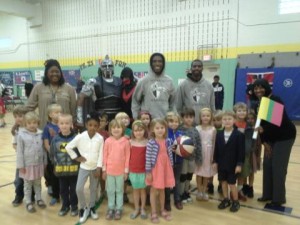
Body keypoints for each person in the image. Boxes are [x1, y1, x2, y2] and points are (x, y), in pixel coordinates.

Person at [253, 79, 296, 207]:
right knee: (267, 164)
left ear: (266, 87)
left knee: (278, 167)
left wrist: (263, 130)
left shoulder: (274, 100)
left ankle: (278, 198)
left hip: (284, 137)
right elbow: (261, 123)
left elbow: (277, 123)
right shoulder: (259, 102)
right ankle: (267, 194)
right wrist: (265, 142)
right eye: (256, 88)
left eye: (261, 87)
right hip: (271, 138)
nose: (258, 90)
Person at [66, 112, 104, 223]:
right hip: (84, 167)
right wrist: (76, 158)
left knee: (93, 189)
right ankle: (82, 207)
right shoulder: (80, 137)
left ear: (98, 127)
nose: (93, 128)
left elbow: (101, 154)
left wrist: (99, 168)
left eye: (95, 126)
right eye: (90, 125)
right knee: (78, 188)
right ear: (86, 125)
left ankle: (92, 207)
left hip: (95, 169)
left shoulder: (100, 138)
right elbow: (69, 147)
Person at [26, 59, 76, 129]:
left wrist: (74, 126)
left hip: (64, 131)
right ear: (46, 73)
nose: (55, 74)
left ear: (60, 73)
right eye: (52, 72)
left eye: (57, 72)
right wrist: (34, 121)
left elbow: (74, 111)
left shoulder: (69, 89)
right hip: (44, 130)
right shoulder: (38, 87)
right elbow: (28, 108)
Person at [76, 55, 122, 126]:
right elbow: (80, 98)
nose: (107, 68)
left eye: (109, 66)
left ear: (113, 67)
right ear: (101, 68)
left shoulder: (120, 81)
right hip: (100, 120)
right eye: (104, 66)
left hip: (118, 119)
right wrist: (79, 120)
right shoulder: (93, 81)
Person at [213, 110, 245, 213]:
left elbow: (241, 152)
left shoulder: (239, 135)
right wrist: (215, 162)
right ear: (222, 121)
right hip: (222, 164)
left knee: (232, 183)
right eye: (225, 119)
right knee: (223, 182)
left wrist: (239, 164)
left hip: (232, 165)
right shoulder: (219, 134)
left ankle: (235, 201)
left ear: (234, 120)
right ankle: (226, 199)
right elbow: (216, 149)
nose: (227, 121)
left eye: (229, 119)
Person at [16, 112, 47, 213]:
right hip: (27, 165)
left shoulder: (40, 133)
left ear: (37, 123)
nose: (32, 125)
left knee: (38, 183)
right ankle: (28, 201)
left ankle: (39, 199)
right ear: (25, 123)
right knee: (28, 185)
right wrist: (21, 165)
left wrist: (45, 162)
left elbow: (43, 149)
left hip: (38, 164)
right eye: (29, 123)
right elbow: (19, 151)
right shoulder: (21, 135)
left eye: (34, 122)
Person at [146, 118, 175, 223]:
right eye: (157, 128)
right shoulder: (151, 143)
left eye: (162, 127)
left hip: (165, 168)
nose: (160, 130)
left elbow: (169, 154)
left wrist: (171, 166)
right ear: (153, 130)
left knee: (163, 190)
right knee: (154, 190)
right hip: (155, 169)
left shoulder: (168, 141)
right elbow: (148, 158)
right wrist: (148, 172)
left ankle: (162, 210)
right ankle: (153, 211)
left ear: (165, 129)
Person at [50, 114, 79, 216]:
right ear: (58, 124)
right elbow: (52, 154)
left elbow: (80, 153)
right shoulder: (55, 139)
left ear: (71, 124)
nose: (64, 125)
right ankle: (65, 206)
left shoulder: (77, 138)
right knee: (63, 190)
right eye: (62, 123)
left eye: (67, 123)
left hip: (74, 171)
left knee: (74, 190)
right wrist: (55, 165)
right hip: (61, 171)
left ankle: (74, 206)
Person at [131, 53, 176, 119]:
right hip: (148, 123)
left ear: (163, 64)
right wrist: (136, 118)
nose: (157, 64)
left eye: (160, 61)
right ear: (150, 64)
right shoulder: (143, 81)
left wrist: (171, 117)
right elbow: (135, 101)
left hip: (164, 122)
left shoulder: (169, 81)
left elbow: (173, 102)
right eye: (154, 61)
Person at [102, 119, 131, 220]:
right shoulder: (108, 141)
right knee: (110, 190)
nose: (116, 129)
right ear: (110, 129)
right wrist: (104, 170)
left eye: (118, 127)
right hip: (109, 171)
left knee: (119, 190)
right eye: (113, 127)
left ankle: (119, 208)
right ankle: (111, 208)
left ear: (122, 129)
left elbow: (128, 157)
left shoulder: (126, 141)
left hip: (121, 172)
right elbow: (104, 156)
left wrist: (126, 171)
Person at [176, 59, 215, 124]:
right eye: (194, 66)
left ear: (202, 68)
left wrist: (212, 121)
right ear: (191, 68)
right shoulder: (182, 85)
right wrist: (181, 121)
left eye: (199, 66)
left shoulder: (209, 85)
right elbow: (178, 107)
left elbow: (212, 105)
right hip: (188, 124)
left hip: (204, 124)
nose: (197, 68)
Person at [179, 108, 202, 204]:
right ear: (183, 118)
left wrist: (199, 158)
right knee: (183, 176)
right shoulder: (179, 129)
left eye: (191, 117)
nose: (189, 119)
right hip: (183, 158)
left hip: (192, 158)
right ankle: (180, 194)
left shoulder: (195, 130)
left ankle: (186, 191)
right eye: (186, 117)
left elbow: (199, 144)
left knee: (189, 176)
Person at [195, 108, 217, 201]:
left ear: (211, 117)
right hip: (200, 153)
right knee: (199, 173)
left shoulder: (213, 129)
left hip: (209, 153)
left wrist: (213, 157)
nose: (205, 117)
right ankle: (199, 191)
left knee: (206, 174)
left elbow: (214, 143)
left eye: (208, 116)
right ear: (200, 117)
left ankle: (204, 191)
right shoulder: (197, 128)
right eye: (203, 116)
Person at [42, 104, 62, 205]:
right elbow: (46, 143)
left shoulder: (63, 125)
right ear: (50, 114)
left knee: (62, 176)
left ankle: (63, 192)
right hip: (53, 157)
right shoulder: (47, 127)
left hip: (62, 157)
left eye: (60, 112)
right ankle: (55, 195)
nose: (59, 114)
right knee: (54, 176)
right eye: (56, 112)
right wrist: (52, 154)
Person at [128, 120, 148, 220]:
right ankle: (136, 208)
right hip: (133, 171)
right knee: (135, 190)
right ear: (133, 131)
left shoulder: (147, 142)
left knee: (143, 190)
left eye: (140, 130)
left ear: (144, 130)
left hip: (144, 171)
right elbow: (128, 157)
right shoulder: (130, 142)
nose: (138, 132)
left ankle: (143, 208)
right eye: (136, 130)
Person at [11, 105, 30, 206]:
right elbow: (14, 144)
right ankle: (18, 196)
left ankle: (31, 196)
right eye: (16, 116)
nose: (18, 118)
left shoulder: (31, 129)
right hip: (21, 161)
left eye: (20, 116)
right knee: (18, 180)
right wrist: (20, 150)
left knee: (31, 179)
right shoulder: (16, 131)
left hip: (31, 161)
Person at [165, 112, 183, 210]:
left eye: (176, 121)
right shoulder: (165, 133)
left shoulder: (181, 134)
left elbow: (185, 147)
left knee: (176, 180)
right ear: (167, 122)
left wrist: (187, 148)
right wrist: (169, 148)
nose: (174, 123)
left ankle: (177, 200)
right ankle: (167, 201)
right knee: (168, 182)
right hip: (167, 162)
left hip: (179, 161)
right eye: (171, 121)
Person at [242, 111, 262, 198]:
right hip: (244, 154)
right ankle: (244, 186)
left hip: (253, 154)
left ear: (255, 119)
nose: (250, 120)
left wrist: (258, 156)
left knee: (251, 172)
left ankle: (250, 187)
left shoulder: (256, 130)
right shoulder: (244, 129)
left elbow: (259, 144)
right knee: (244, 171)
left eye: (252, 118)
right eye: (248, 119)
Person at [233, 102, 248, 201]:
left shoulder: (248, 124)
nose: (242, 113)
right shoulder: (232, 123)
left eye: (244, 111)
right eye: (239, 111)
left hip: (244, 152)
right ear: (235, 112)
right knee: (232, 172)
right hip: (234, 152)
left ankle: (240, 191)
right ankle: (232, 190)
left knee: (242, 173)